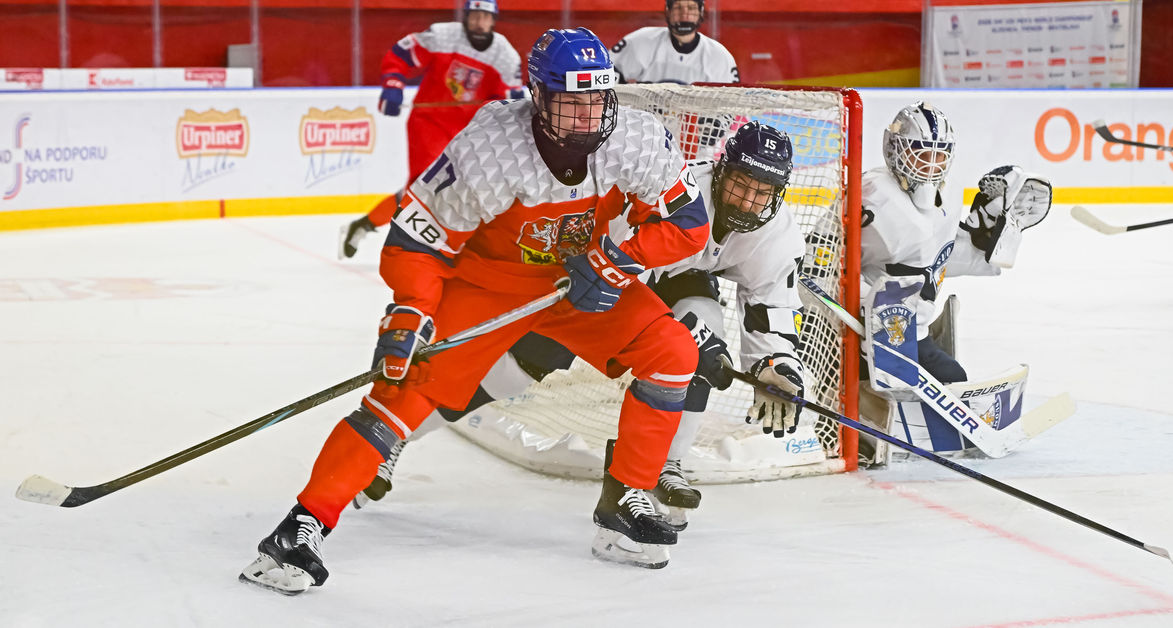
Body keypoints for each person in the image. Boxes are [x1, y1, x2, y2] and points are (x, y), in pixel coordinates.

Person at [240, 27, 710, 595]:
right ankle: (300, 529)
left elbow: (688, 226)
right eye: (570, 102)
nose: (587, 118)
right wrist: (411, 310)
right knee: (402, 388)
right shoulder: (490, 148)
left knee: (673, 352)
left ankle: (623, 505)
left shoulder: (633, 137)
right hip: (489, 282)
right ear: (537, 96)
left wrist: (622, 259)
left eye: (596, 100)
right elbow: (418, 241)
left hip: (579, 279)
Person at [356, 123, 818, 532]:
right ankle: (393, 436)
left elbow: (771, 302)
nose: (749, 200)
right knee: (508, 376)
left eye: (762, 192)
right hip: (599, 282)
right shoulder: (679, 191)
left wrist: (774, 364)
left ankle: (665, 465)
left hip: (677, 287)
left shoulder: (776, 233)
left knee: (699, 327)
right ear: (721, 173)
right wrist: (685, 331)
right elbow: (618, 250)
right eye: (741, 185)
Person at [856, 101, 1052, 458]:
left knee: (953, 376)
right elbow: (824, 258)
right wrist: (861, 309)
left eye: (938, 155)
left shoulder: (944, 201)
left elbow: (940, 257)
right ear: (894, 149)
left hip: (912, 333)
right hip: (864, 335)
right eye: (920, 154)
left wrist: (985, 234)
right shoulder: (874, 197)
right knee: (880, 394)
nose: (931, 166)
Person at [339, 0, 523, 259]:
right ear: (466, 16)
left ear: (494, 20)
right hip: (429, 124)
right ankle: (407, 242)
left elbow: (510, 101)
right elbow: (402, 54)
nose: (480, 22)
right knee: (423, 188)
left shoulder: (505, 55)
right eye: (475, 16)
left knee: (466, 190)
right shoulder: (443, 35)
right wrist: (393, 84)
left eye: (486, 17)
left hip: (468, 134)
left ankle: (367, 224)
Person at [609, 0, 739, 85]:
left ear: (701, 12)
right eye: (678, 7)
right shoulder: (641, 40)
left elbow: (730, 104)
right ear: (668, 11)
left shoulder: (719, 55)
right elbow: (607, 72)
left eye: (691, 7)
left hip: (696, 125)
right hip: (647, 122)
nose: (684, 14)